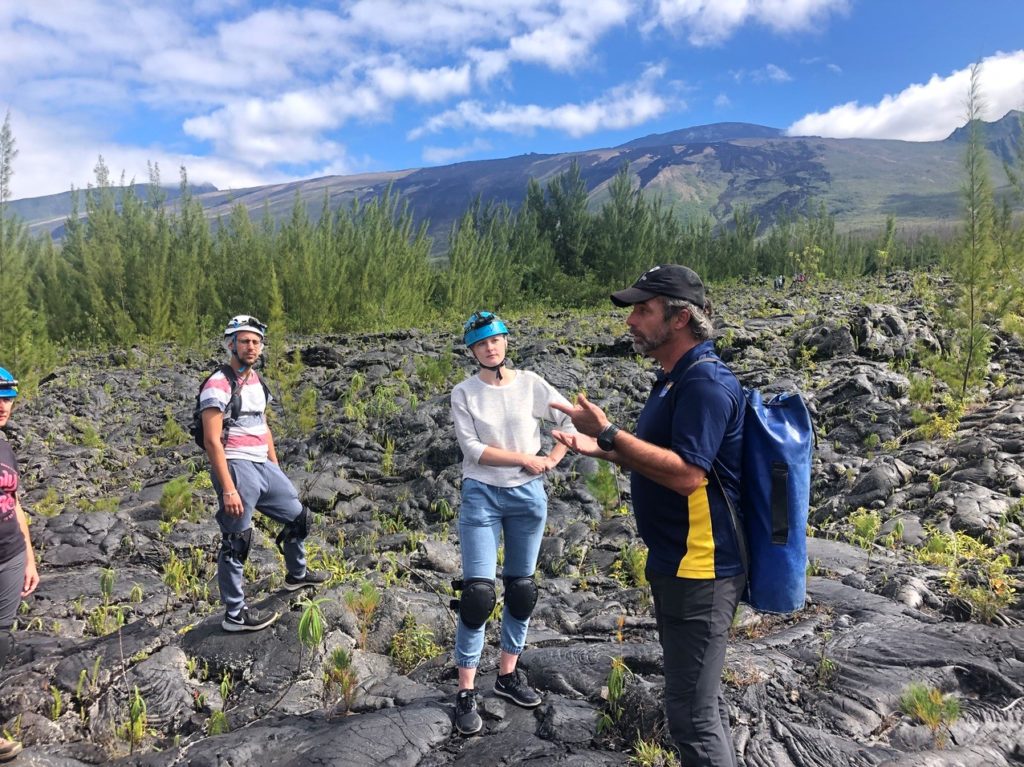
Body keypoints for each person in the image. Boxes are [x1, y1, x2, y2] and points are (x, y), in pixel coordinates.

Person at [551, 265, 746, 767]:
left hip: (701, 568)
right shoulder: (672, 378)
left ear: (680, 318)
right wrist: (602, 449)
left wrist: (612, 432)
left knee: (690, 715)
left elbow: (687, 476)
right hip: (675, 561)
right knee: (696, 703)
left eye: (644, 310)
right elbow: (660, 456)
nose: (631, 320)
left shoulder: (704, 383)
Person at [449, 311, 577, 736]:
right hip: (481, 494)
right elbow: (472, 448)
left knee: (522, 589)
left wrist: (551, 461)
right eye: (482, 342)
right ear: (472, 350)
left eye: (496, 339)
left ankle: (507, 675)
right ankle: (466, 689)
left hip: (527, 497)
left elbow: (568, 419)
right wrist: (525, 458)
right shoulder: (464, 393)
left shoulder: (531, 383)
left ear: (506, 342)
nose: (491, 347)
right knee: (479, 594)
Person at [199, 315, 326, 633]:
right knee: (237, 539)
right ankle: (234, 614)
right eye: (244, 341)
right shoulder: (217, 383)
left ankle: (297, 575)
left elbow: (263, 425)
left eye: (256, 341)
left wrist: (274, 465)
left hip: (262, 466)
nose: (251, 346)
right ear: (231, 344)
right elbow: (212, 439)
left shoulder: (256, 382)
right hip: (236, 467)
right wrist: (228, 488)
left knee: (299, 518)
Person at [0, 368, 40, 763]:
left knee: (0, 639)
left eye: (8, 397)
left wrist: (28, 557)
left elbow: (16, 504)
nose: (2, 405)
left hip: (9, 554)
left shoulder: (4, 445)